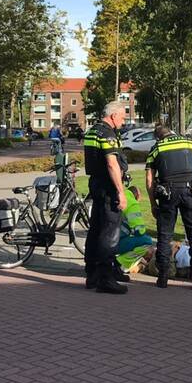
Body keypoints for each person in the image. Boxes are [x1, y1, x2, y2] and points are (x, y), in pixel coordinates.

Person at [146, 124, 192, 290]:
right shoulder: (190, 143)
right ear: (171, 132)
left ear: (158, 137)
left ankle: (163, 277)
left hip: (168, 193)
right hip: (190, 191)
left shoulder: (156, 148)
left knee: (165, 236)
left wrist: (153, 203)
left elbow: (149, 179)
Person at [82, 102, 130, 294]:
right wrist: (120, 191)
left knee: (96, 227)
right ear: (113, 116)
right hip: (108, 186)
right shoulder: (108, 134)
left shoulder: (93, 131)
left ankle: (92, 273)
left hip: (96, 183)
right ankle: (105, 277)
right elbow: (112, 164)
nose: (123, 121)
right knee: (110, 231)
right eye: (122, 117)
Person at [116, 186, 155, 273]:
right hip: (115, 242)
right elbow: (139, 231)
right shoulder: (132, 204)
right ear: (138, 196)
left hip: (105, 240)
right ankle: (119, 263)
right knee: (146, 241)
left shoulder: (119, 196)